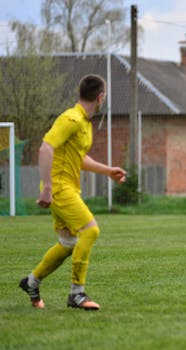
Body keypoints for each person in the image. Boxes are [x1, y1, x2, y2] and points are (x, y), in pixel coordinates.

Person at [19, 74, 126, 310]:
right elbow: (46, 147)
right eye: (104, 96)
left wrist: (108, 171)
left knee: (68, 243)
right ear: (100, 97)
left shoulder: (84, 123)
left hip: (66, 187)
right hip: (58, 188)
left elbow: (79, 158)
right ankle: (77, 294)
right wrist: (47, 187)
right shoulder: (71, 119)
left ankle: (32, 281)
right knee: (90, 231)